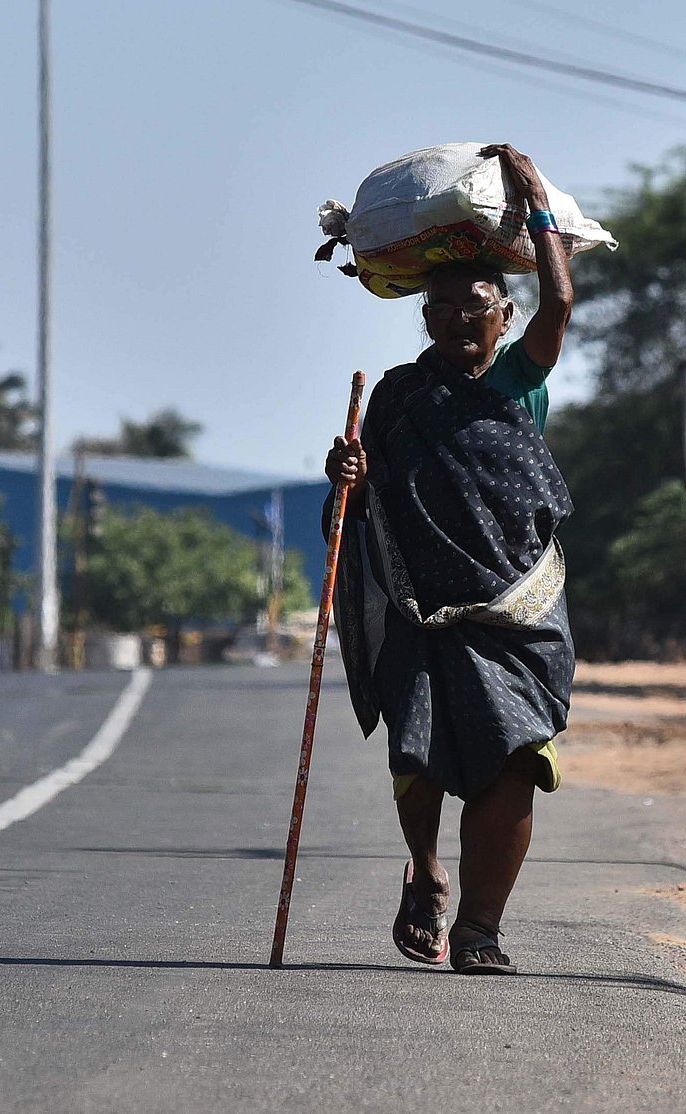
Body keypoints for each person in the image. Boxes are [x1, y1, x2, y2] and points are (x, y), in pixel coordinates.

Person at [325, 145, 575, 974]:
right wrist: (348, 477)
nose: (458, 322)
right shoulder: (396, 396)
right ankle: (427, 875)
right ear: (422, 318)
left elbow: (561, 301)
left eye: (476, 309)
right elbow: (357, 518)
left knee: (516, 763)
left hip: (516, 612)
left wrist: (535, 202)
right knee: (419, 756)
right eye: (441, 310)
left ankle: (480, 929)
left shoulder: (516, 385)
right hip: (418, 611)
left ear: (504, 316)